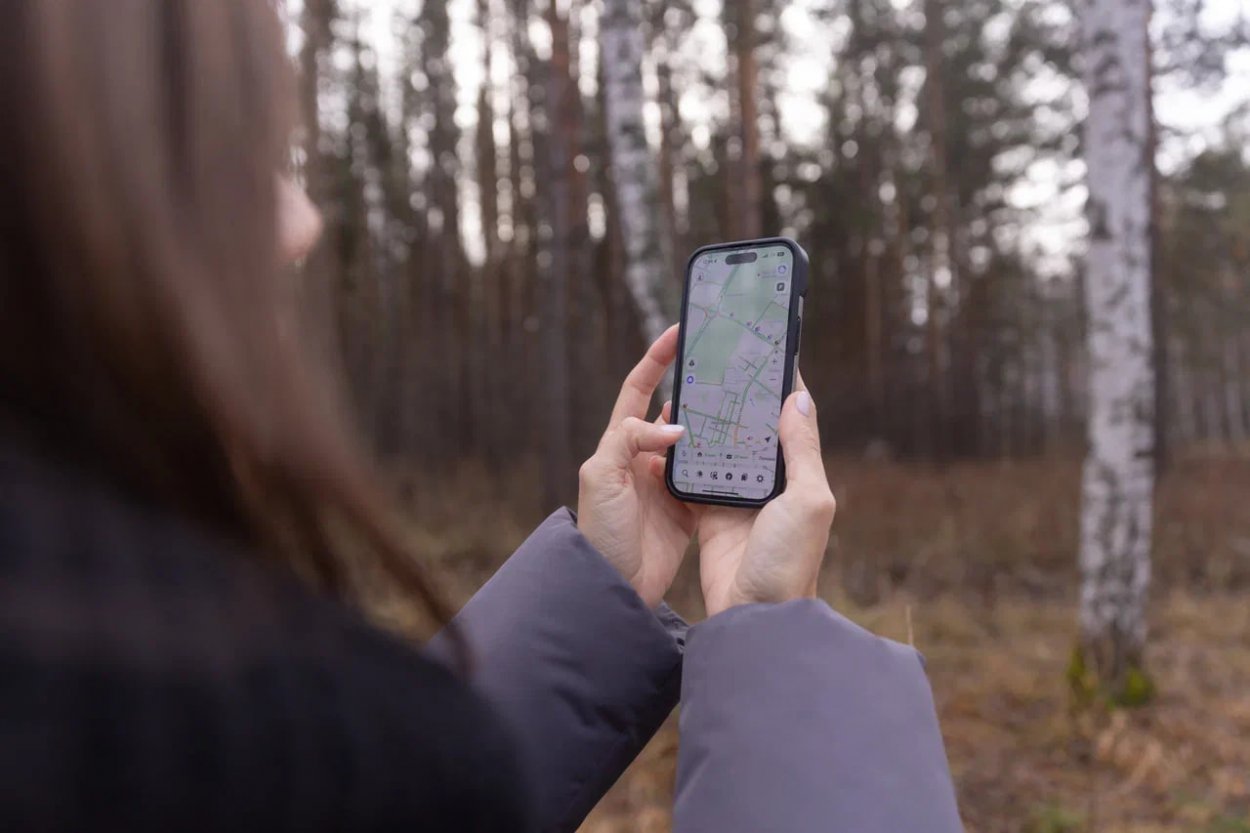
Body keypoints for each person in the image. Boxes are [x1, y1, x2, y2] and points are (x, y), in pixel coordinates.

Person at [0, 1, 963, 831]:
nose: (298, 222)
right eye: (226, 146)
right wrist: (772, 646)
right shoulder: (185, 724)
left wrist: (604, 593)